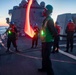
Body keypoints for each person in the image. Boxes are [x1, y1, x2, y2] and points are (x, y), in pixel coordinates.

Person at [38, 5, 57, 75]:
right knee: (43, 56)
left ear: (48, 11)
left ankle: (50, 73)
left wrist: (51, 39)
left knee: (46, 57)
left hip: (48, 42)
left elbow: (54, 32)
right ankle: (44, 68)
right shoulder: (45, 20)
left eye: (45, 10)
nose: (44, 11)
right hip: (44, 41)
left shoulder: (50, 20)